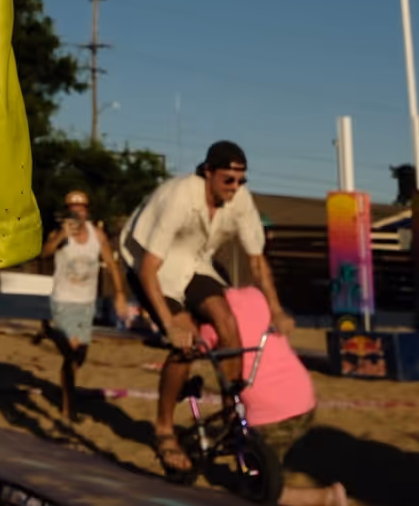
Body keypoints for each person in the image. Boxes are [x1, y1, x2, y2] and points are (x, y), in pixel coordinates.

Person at [122, 140, 294, 480]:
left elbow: (256, 261)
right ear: (208, 173)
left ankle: (233, 417)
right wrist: (170, 324)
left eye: (241, 180)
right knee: (186, 343)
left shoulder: (240, 201)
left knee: (228, 323)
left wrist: (275, 308)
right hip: (152, 264)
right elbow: (148, 269)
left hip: (194, 261)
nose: (235, 188)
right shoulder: (180, 197)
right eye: (228, 180)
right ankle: (164, 429)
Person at [196, 286, 347, 506]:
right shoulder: (255, 295)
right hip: (302, 394)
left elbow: (199, 345)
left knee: (257, 488)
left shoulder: (213, 320)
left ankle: (326, 497)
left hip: (272, 414)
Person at [40, 188, 133, 422]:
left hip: (86, 302)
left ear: (87, 210)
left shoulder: (97, 234)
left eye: (80, 206)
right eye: (72, 207)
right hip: (64, 300)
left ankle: (53, 336)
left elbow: (111, 265)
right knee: (71, 352)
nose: (77, 211)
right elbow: (44, 253)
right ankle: (68, 407)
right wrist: (61, 236)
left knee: (79, 357)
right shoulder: (61, 234)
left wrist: (120, 294)